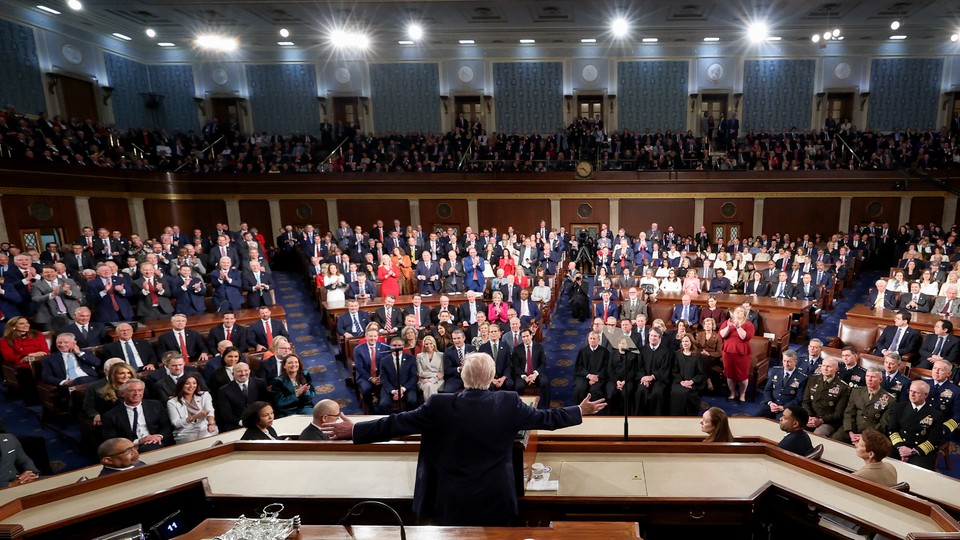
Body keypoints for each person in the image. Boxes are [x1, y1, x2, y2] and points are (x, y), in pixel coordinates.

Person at [321, 352, 607, 526]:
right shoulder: (508, 402)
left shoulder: (439, 405)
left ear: (462, 377)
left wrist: (355, 430)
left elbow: (396, 423)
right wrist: (579, 411)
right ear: (493, 376)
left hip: (452, 501)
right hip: (497, 500)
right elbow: (548, 419)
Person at [101, 379, 174, 453]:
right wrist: (139, 441)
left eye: (140, 390)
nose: (136, 393)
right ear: (122, 394)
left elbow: (166, 426)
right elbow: (112, 440)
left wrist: (158, 436)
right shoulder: (111, 415)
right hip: (129, 448)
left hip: (156, 442)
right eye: (132, 390)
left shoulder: (156, 405)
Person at [886, 380, 943, 470]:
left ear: (926, 395)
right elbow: (892, 430)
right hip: (899, 446)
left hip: (919, 451)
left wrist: (912, 451)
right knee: (882, 463)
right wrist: (901, 448)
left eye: (916, 392)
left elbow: (934, 440)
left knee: (918, 473)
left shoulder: (935, 415)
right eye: (911, 391)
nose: (912, 394)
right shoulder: (898, 407)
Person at [835, 367, 896, 444]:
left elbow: (883, 424)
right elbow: (849, 413)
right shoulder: (856, 392)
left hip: (872, 434)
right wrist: (851, 433)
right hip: (852, 429)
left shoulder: (890, 400)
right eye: (867, 376)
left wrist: (864, 436)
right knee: (834, 440)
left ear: (880, 380)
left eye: (873, 377)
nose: (869, 379)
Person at [217, 362, 269, 432]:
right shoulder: (224, 390)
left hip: (260, 421)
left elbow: (266, 404)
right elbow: (226, 414)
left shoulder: (260, 383)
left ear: (249, 371)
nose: (243, 373)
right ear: (233, 374)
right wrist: (242, 422)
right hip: (236, 425)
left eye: (246, 370)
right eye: (239, 371)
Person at [166, 373, 217, 443]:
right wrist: (196, 416)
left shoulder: (205, 395)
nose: (191, 386)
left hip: (204, 427)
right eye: (187, 383)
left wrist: (211, 423)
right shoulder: (172, 402)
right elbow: (176, 423)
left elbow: (210, 410)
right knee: (195, 440)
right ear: (181, 385)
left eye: (194, 383)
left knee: (207, 436)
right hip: (185, 431)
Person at [718, 306, 755, 402]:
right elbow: (722, 335)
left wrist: (738, 326)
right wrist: (729, 326)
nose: (738, 313)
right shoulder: (727, 322)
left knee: (742, 376)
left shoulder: (748, 324)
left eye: (740, 312)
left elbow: (745, 337)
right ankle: (732, 392)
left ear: (744, 314)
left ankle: (742, 394)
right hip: (728, 352)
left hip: (742, 353)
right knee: (730, 375)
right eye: (736, 311)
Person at [670, 333, 705, 415]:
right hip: (679, 382)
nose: (685, 343)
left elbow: (701, 373)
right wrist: (681, 382)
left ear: (691, 342)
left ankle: (688, 416)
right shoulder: (677, 354)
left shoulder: (697, 355)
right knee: (675, 392)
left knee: (687, 393)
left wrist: (691, 381)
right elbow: (674, 371)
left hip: (693, 383)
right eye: (683, 341)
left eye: (687, 341)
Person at [573, 332, 608, 404]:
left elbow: (606, 367)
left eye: (594, 339)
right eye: (590, 338)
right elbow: (579, 366)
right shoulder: (582, 351)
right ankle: (580, 410)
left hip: (599, 377)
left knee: (595, 390)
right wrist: (589, 376)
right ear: (588, 340)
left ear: (598, 340)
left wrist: (596, 377)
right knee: (580, 388)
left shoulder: (605, 352)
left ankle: (595, 412)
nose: (592, 340)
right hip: (584, 376)